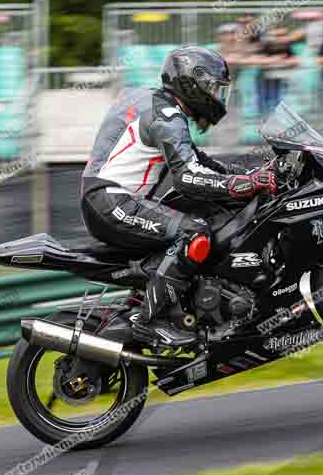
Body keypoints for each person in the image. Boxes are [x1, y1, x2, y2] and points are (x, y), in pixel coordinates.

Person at [79, 46, 277, 347]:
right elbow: (187, 177)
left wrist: (247, 174)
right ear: (191, 82)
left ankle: (170, 302)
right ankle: (151, 321)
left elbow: (197, 161)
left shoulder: (155, 102)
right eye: (213, 88)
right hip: (111, 201)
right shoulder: (166, 114)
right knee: (193, 233)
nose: (217, 97)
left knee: (196, 212)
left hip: (106, 198)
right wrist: (244, 184)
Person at [252, 25, 299, 114]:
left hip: (283, 84)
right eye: (276, 35)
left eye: (282, 35)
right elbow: (255, 60)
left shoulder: (289, 48)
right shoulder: (264, 47)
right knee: (264, 106)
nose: (279, 39)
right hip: (266, 82)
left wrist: (275, 61)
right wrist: (275, 60)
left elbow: (295, 61)